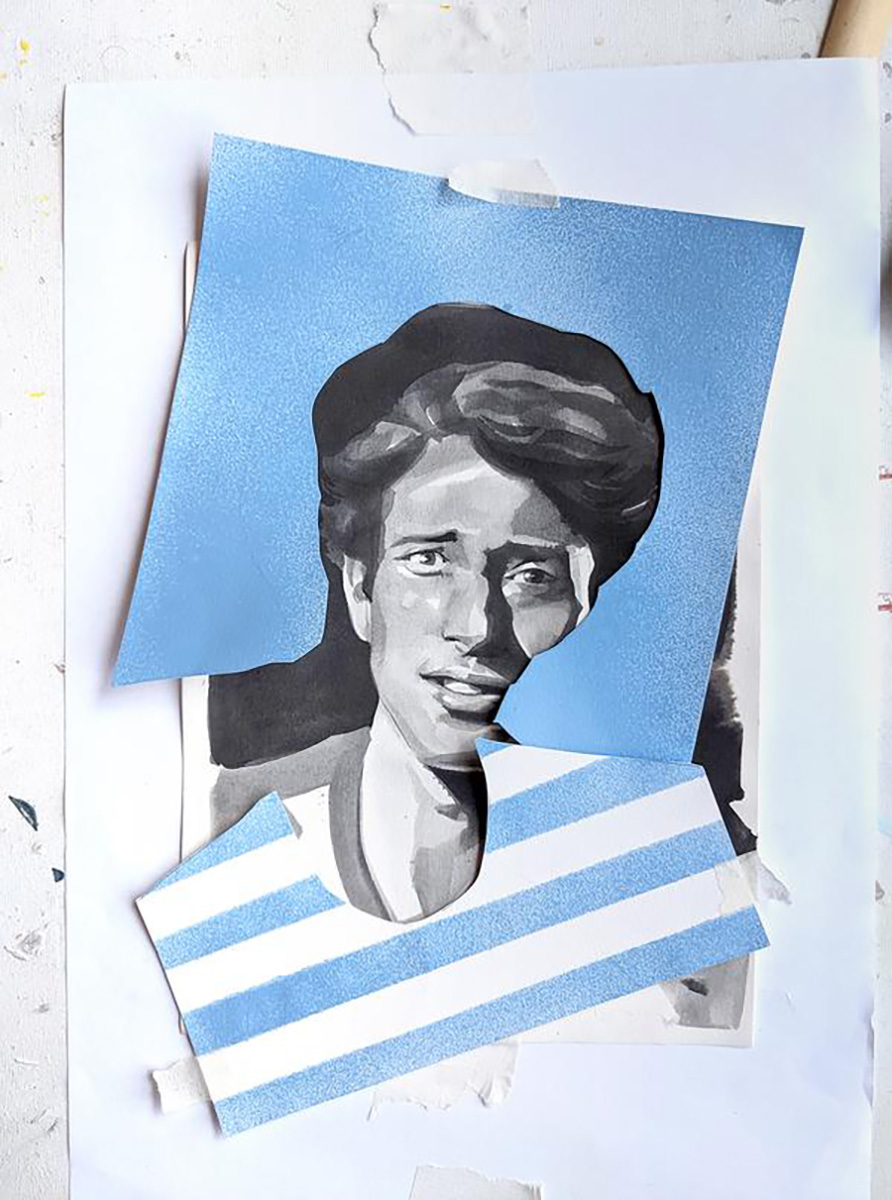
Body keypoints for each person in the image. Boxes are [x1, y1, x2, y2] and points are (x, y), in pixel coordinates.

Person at [204, 303, 664, 922]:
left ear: (578, 598)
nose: (478, 627)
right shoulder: (232, 826)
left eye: (531, 575)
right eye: (430, 560)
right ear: (360, 587)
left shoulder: (631, 869)